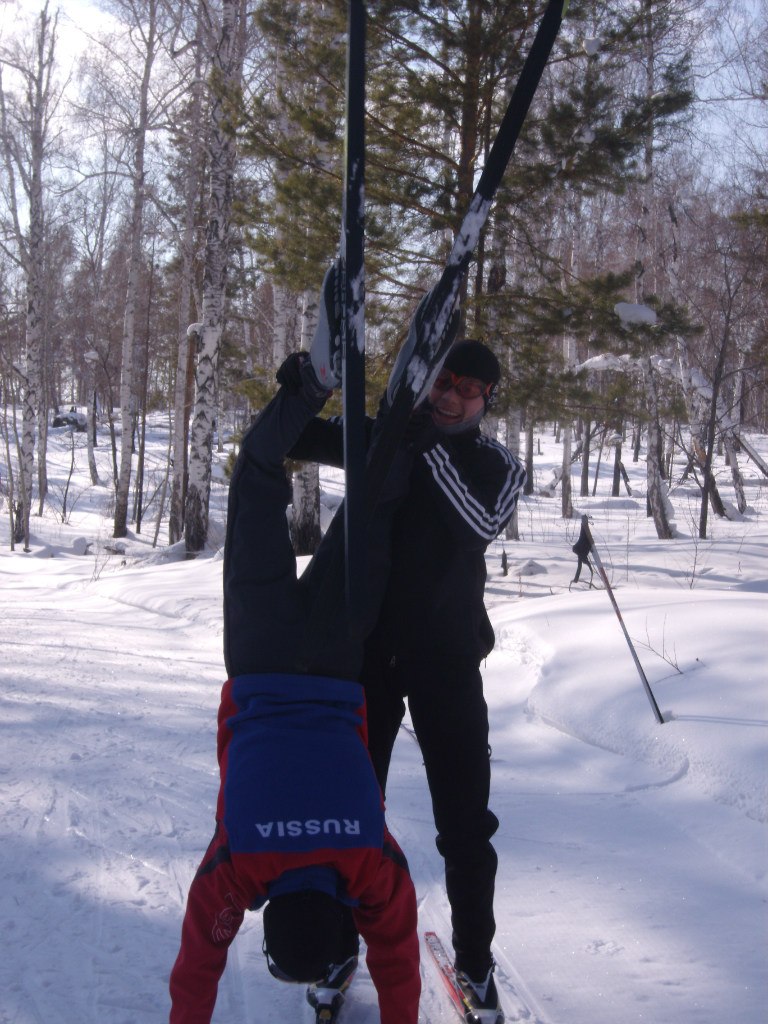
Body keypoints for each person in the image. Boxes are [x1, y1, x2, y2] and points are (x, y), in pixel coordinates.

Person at [168, 270, 421, 1024]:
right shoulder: (239, 868)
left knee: (375, 504)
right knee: (255, 475)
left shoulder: (368, 866)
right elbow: (196, 968)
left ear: (344, 911)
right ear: (265, 912)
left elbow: (398, 953)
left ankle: (396, 425)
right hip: (260, 653)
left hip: (339, 664)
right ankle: (312, 386)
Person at [290, 337, 527, 1024]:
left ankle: (475, 964)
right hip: (366, 662)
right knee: (351, 815)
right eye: (443, 380)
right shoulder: (386, 436)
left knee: (465, 824)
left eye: (469, 389)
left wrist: (421, 446)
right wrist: (301, 389)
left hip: (446, 664)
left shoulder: (496, 464)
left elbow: (480, 523)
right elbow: (297, 437)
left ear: (487, 400)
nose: (451, 396)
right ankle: (337, 951)